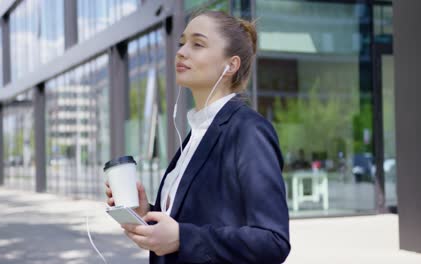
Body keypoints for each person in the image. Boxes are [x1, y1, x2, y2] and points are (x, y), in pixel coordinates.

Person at [105, 10, 290, 264]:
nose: (181, 51)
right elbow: (190, 223)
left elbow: (273, 241)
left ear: (231, 65)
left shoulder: (248, 131)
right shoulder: (195, 135)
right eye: (182, 43)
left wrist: (183, 237)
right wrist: (146, 214)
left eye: (198, 44)